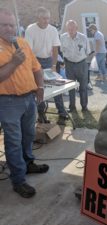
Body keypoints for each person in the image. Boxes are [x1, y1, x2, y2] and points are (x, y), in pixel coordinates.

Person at [0, 8, 49, 198]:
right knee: (13, 142)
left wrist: (41, 87)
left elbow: (37, 68)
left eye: (11, 25)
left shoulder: (23, 43)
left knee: (28, 135)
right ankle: (18, 180)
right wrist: (13, 63)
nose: (9, 28)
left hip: (29, 98)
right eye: (4, 25)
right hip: (7, 102)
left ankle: (28, 163)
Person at [25, 7, 68, 122]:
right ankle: (41, 113)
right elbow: (29, 51)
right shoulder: (30, 29)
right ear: (38, 18)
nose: (46, 21)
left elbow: (55, 49)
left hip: (49, 59)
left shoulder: (53, 30)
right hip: (35, 59)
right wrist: (35, 67)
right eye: (44, 18)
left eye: (48, 18)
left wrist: (54, 65)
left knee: (56, 85)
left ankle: (62, 112)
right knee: (40, 87)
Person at [60, 20, 91, 112]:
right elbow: (62, 51)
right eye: (69, 28)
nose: (71, 30)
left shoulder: (83, 38)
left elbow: (87, 51)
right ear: (67, 29)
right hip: (69, 64)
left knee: (83, 87)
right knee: (71, 87)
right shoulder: (63, 37)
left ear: (76, 28)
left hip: (81, 64)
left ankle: (84, 107)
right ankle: (72, 107)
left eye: (73, 28)